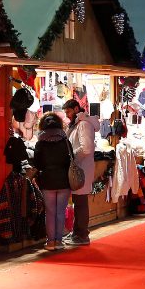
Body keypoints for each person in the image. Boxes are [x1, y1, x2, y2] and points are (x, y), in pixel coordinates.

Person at [32, 113, 73, 250]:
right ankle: (59, 241)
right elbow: (71, 160)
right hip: (64, 180)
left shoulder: (40, 143)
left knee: (50, 212)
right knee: (60, 212)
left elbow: (37, 163)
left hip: (47, 180)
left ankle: (50, 242)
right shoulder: (66, 142)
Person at [62, 98, 96, 247]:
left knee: (81, 203)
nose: (67, 115)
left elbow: (87, 147)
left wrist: (72, 157)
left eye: (68, 111)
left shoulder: (83, 125)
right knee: (79, 202)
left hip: (81, 169)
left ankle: (82, 234)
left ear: (76, 109)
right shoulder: (79, 125)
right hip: (79, 169)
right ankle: (78, 232)